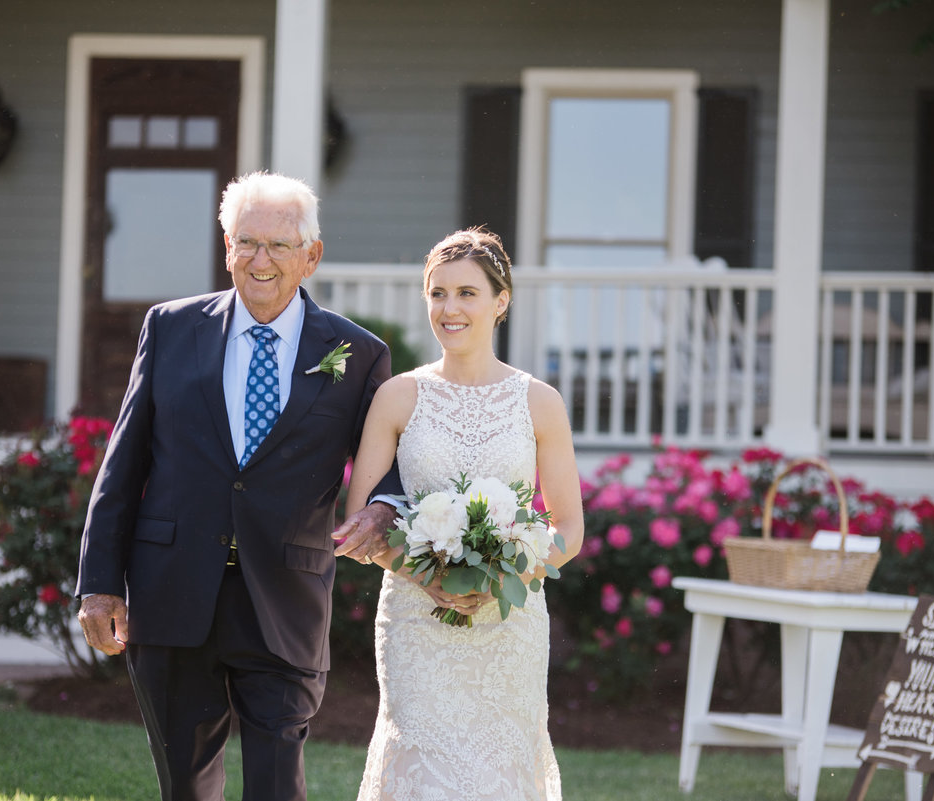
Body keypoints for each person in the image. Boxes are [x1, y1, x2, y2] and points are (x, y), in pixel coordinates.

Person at [76, 171, 398, 801]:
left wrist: (385, 507)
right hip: (171, 593)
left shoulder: (358, 355)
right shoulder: (169, 328)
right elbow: (125, 464)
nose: (260, 260)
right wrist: (98, 583)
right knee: (186, 789)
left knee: (277, 787)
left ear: (312, 255)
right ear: (226, 247)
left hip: (284, 599)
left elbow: (388, 466)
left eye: (279, 246)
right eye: (246, 242)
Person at [335, 228, 585, 800]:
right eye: (438, 293)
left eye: (467, 293)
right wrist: (431, 578)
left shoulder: (539, 402)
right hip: (418, 622)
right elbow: (360, 523)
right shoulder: (397, 397)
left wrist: (509, 575)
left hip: (509, 625)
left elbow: (568, 527)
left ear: (500, 302)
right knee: (422, 768)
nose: (450, 308)